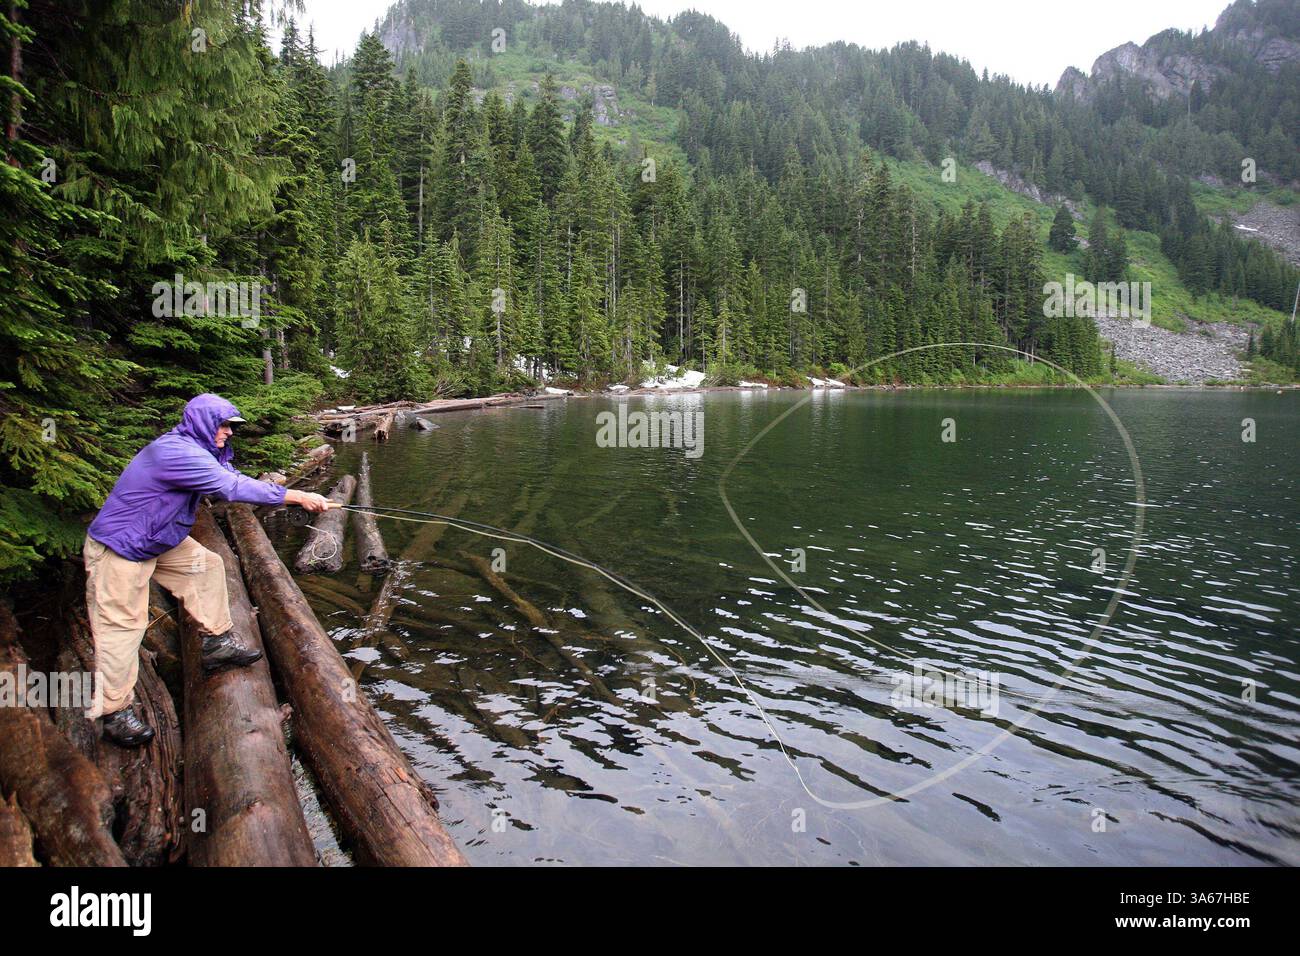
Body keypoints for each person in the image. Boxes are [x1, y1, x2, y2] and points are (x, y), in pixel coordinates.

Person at [84, 393, 331, 747]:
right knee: (121, 626)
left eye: (233, 426)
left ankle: (216, 644)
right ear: (202, 422)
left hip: (158, 539)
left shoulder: (199, 451)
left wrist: (291, 494)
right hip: (122, 547)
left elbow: (230, 475)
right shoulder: (176, 452)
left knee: (207, 566)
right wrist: (295, 496)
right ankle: (114, 712)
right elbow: (229, 487)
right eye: (225, 424)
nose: (230, 432)